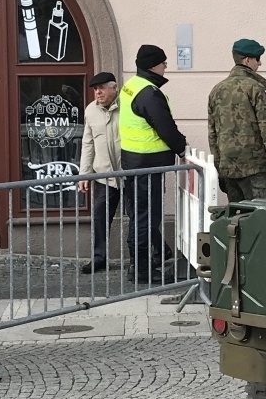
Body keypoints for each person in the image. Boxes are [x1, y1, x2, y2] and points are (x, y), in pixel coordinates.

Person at [119, 45, 187, 284]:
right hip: (147, 164)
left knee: (139, 216)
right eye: (164, 63)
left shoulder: (131, 86)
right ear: (153, 65)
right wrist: (182, 148)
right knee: (146, 218)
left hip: (133, 162)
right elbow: (165, 127)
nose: (166, 66)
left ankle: (142, 264)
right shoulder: (149, 92)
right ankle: (141, 270)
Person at [207, 38, 266, 202]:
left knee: (235, 219)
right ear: (247, 60)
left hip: (229, 167)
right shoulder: (255, 88)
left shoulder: (217, 90)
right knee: (260, 217)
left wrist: (219, 166)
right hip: (254, 168)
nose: (260, 63)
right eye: (257, 59)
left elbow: (212, 133)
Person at [77, 72, 123, 274]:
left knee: (140, 217)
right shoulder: (91, 110)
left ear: (114, 87)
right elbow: (88, 144)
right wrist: (84, 174)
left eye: (102, 88)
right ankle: (99, 258)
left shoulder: (128, 107)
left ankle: (154, 254)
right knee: (100, 218)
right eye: (95, 89)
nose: (98, 92)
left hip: (128, 172)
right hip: (103, 175)